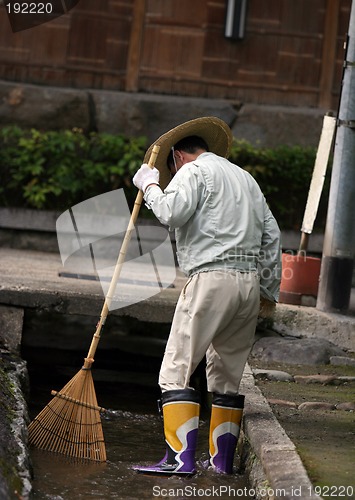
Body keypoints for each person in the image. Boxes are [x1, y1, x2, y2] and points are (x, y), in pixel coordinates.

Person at [132, 117, 281, 475]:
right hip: (248, 284)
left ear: (179, 156)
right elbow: (272, 237)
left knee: (176, 370)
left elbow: (171, 212)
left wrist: (151, 186)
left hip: (211, 277)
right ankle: (221, 464)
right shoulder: (247, 179)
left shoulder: (192, 170)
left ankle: (180, 461)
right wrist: (267, 290)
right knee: (226, 376)